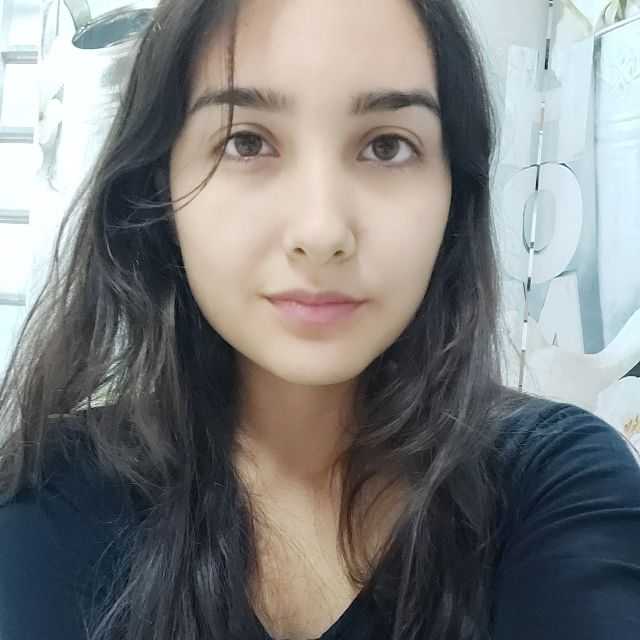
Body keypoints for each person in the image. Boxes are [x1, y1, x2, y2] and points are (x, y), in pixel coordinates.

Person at [0, 1, 639, 639]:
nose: (322, 231)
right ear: (158, 187)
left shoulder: (556, 486)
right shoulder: (52, 494)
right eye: (246, 141)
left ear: (455, 193)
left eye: (387, 146)